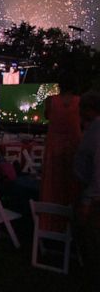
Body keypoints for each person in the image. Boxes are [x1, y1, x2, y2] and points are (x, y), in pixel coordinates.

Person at [40, 74, 82, 229]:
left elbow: (47, 116)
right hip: (74, 145)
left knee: (52, 183)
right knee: (72, 183)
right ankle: (71, 223)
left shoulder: (51, 101)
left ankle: (50, 222)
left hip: (54, 146)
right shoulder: (80, 102)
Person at [74, 91, 100, 291]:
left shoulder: (96, 131)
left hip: (94, 200)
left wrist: (87, 200)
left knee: (93, 245)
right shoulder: (93, 129)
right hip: (91, 194)